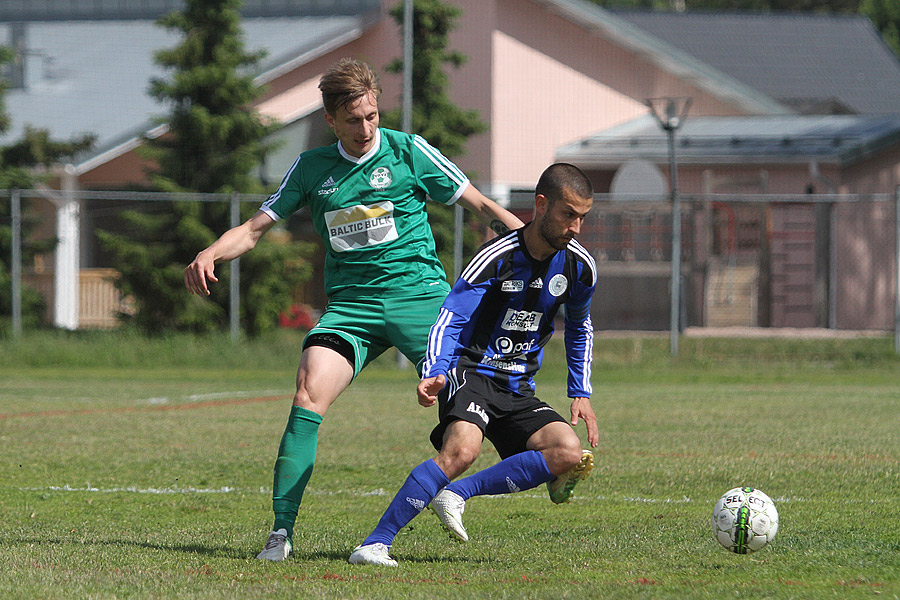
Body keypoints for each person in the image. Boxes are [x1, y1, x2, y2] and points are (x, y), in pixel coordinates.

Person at [183, 58, 523, 561]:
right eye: (353, 120)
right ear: (330, 121)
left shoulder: (407, 150)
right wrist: (211, 251)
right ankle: (280, 534)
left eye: (372, 116)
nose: (366, 128)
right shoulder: (312, 169)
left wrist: (536, 252)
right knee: (307, 394)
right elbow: (254, 230)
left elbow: (481, 206)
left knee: (481, 399)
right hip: (352, 309)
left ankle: (531, 466)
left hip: (421, 301)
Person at [348, 163, 599, 567]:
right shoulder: (498, 256)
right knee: (462, 451)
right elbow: (453, 316)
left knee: (567, 451)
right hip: (471, 372)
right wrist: (435, 368)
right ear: (541, 205)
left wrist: (581, 392)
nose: (576, 227)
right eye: (568, 214)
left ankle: (457, 494)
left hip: (517, 386)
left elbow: (580, 327)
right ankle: (375, 544)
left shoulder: (579, 266)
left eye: (583, 217)